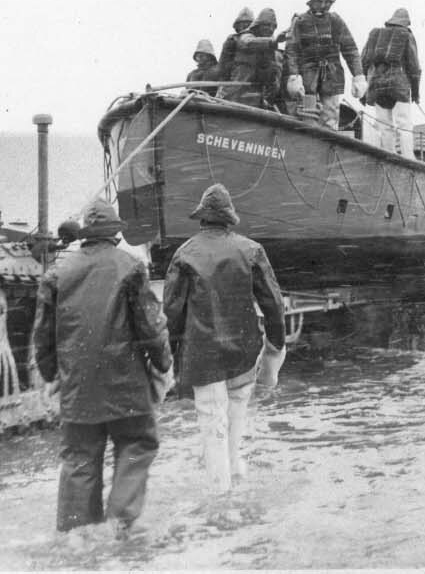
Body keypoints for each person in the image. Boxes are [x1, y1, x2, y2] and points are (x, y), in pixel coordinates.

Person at [33, 200, 173, 534]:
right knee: (137, 445)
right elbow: (150, 327)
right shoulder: (132, 267)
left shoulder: (56, 274)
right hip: (127, 385)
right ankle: (119, 523)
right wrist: (163, 363)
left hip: (79, 387)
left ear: (84, 235)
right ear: (115, 233)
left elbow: (42, 336)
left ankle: (78, 536)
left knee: (80, 459)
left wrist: (52, 374)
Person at [162, 183, 287, 492]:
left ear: (202, 218)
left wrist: (171, 358)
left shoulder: (184, 254)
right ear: (229, 218)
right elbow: (273, 305)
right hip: (242, 352)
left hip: (203, 356)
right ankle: (236, 480)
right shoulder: (252, 250)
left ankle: (221, 499)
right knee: (235, 420)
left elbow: (172, 312)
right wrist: (275, 346)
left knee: (212, 426)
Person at [284, 0, 367, 129]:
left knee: (330, 117)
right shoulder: (300, 21)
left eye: (327, 2)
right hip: (307, 78)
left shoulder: (336, 21)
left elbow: (350, 50)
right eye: (320, 1)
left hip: (332, 77)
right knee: (307, 116)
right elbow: (291, 50)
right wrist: (294, 76)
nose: (324, 5)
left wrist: (358, 76)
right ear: (312, 2)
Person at [359, 7, 422, 158]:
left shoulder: (375, 34)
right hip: (399, 85)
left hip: (377, 85)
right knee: (404, 125)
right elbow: (414, 67)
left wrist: (363, 91)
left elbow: (363, 62)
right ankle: (408, 158)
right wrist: (415, 92)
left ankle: (389, 158)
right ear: (406, 23)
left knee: (385, 126)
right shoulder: (406, 35)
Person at [230, 7, 285, 108]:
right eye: (266, 25)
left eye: (273, 27)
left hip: (262, 92)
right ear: (258, 25)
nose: (270, 29)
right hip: (240, 89)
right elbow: (248, 42)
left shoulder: (274, 51)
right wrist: (273, 42)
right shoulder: (246, 36)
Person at [215, 7, 254, 92]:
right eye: (242, 23)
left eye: (248, 23)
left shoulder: (260, 40)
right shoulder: (232, 40)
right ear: (237, 26)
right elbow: (223, 64)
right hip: (234, 80)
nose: (245, 25)